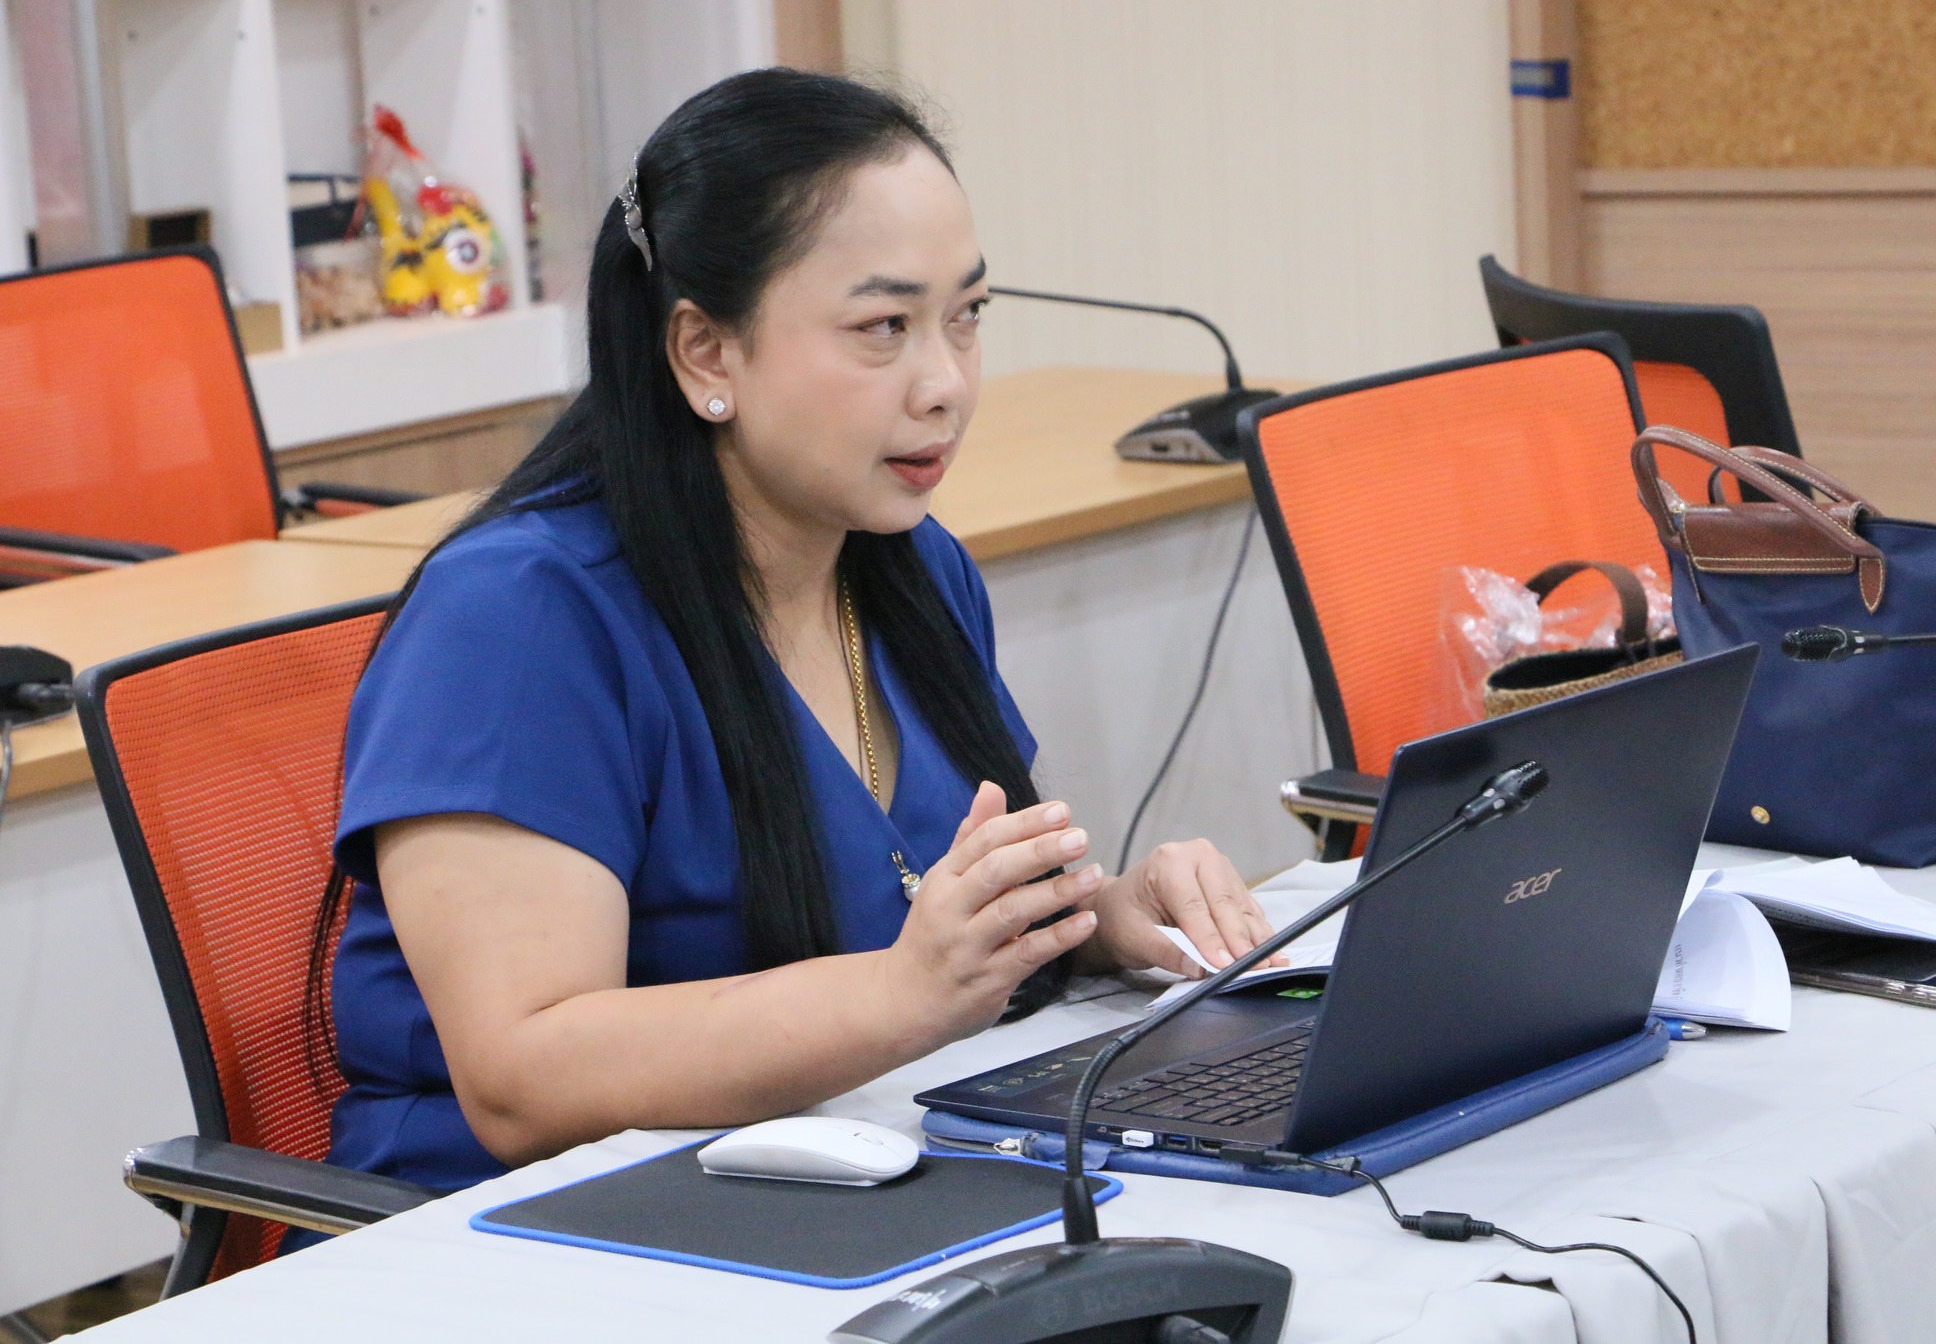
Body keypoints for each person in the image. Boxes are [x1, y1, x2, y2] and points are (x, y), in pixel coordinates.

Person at [310, 68, 1279, 1196]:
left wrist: (1096, 922)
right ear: (705, 353)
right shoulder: (518, 617)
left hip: (827, 1176)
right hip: (509, 1233)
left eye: (965, 316)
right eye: (883, 328)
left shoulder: (908, 565)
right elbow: (523, 1077)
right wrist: (905, 994)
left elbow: (914, 916)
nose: (946, 384)